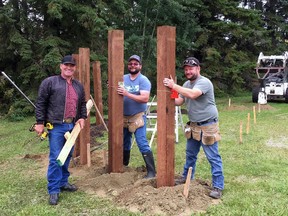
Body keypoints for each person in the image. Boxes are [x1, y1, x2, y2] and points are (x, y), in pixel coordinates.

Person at [163, 57, 224, 199]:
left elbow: (192, 94)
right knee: (190, 155)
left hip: (208, 126)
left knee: (213, 157)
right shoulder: (186, 84)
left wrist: (174, 86)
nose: (188, 71)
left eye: (191, 68)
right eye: (186, 69)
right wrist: (173, 91)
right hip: (194, 126)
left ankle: (218, 186)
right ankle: (186, 178)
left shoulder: (204, 82)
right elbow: (178, 101)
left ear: (198, 69)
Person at [34, 55, 87, 205]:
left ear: (75, 68)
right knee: (56, 157)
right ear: (61, 66)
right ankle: (53, 190)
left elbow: (82, 104)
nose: (69, 68)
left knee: (68, 155)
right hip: (56, 126)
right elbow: (41, 103)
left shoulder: (78, 86)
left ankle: (63, 182)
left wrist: (82, 117)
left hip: (72, 126)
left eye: (72, 66)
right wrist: (39, 122)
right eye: (66, 65)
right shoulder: (50, 82)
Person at [117, 54, 156, 178]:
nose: (133, 66)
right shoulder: (122, 78)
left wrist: (127, 93)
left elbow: (144, 98)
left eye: (135, 64)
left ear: (140, 66)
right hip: (123, 117)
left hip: (137, 118)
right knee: (125, 143)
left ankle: (151, 172)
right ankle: (124, 166)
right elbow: (117, 92)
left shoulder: (143, 80)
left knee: (142, 142)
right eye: (130, 64)